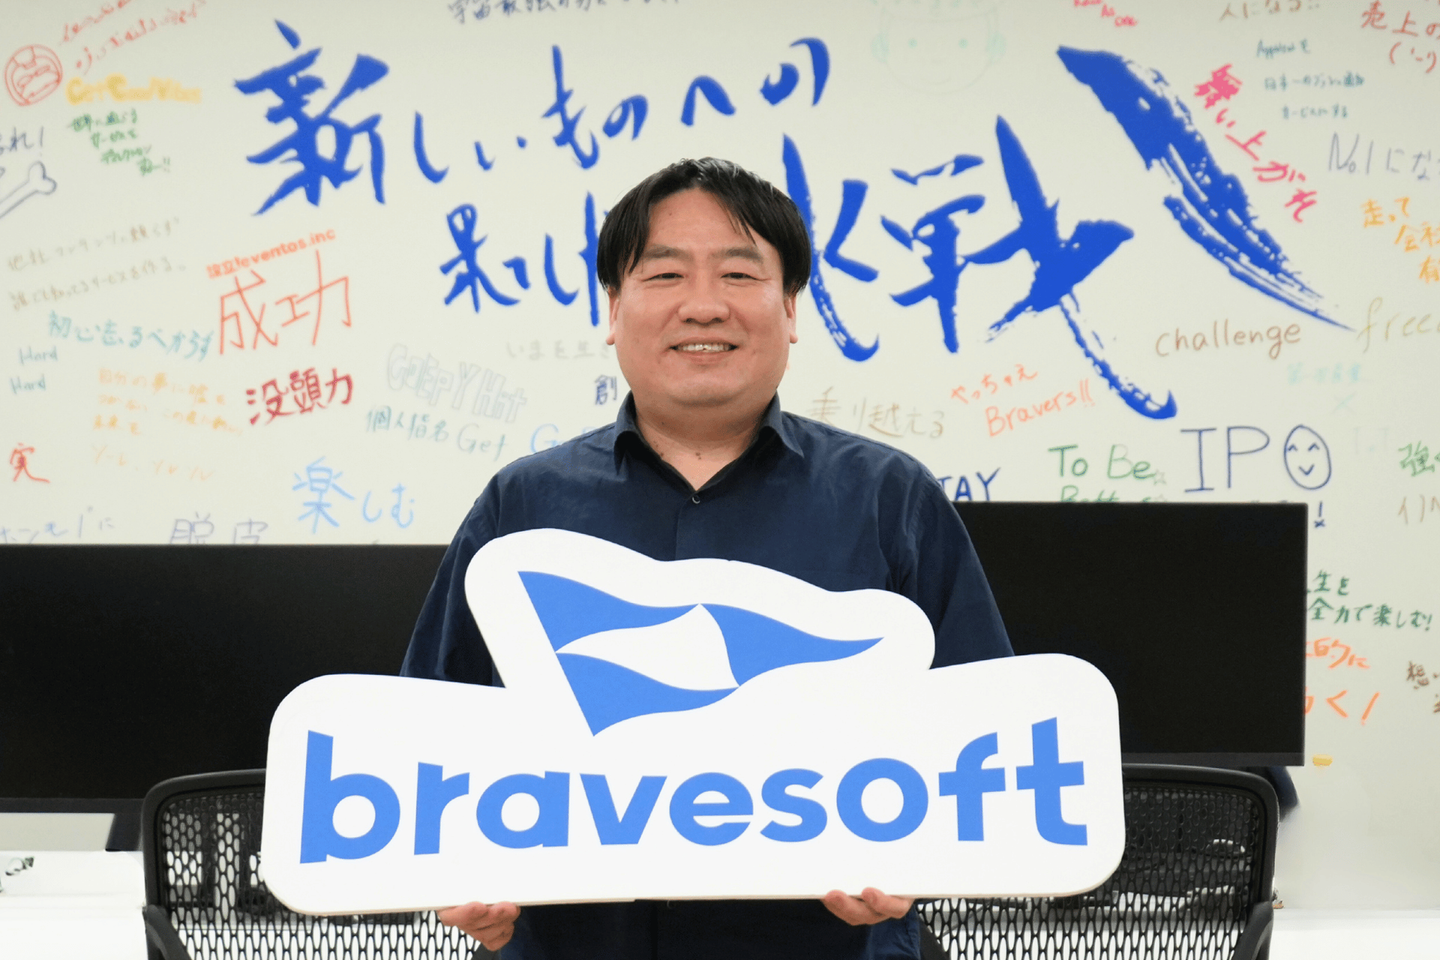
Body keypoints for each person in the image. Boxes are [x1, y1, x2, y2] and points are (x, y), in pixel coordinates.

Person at [400, 157, 1013, 959]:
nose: (703, 304)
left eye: (738, 273)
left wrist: (917, 866)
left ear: (789, 308)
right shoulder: (522, 505)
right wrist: (456, 874)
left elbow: (988, 744)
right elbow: (422, 740)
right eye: (664, 274)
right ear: (613, 308)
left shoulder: (888, 497)